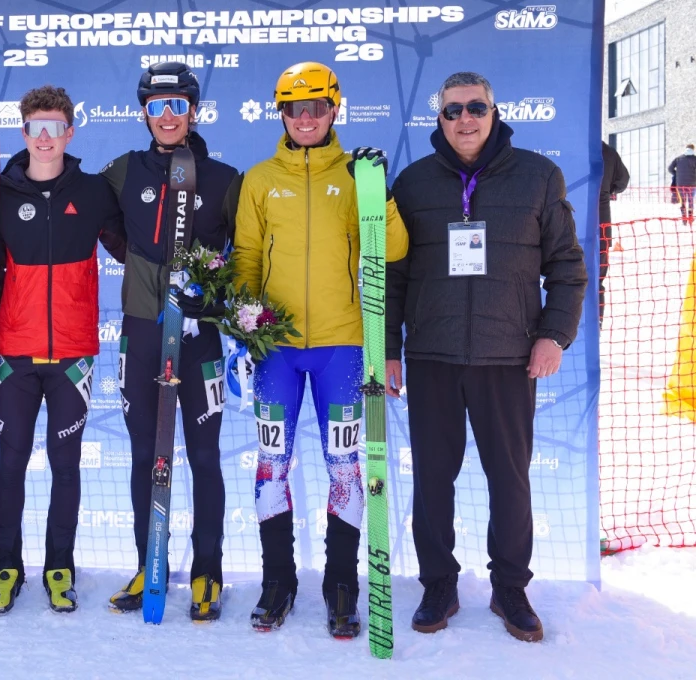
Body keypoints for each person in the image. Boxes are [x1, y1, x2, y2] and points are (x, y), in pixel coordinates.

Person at [385, 71, 586, 643]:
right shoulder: (413, 183)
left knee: (510, 479)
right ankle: (438, 584)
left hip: (509, 357)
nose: (465, 119)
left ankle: (510, 588)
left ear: (494, 113)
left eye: (476, 107)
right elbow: (393, 277)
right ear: (439, 118)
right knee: (432, 480)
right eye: (453, 110)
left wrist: (554, 335)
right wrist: (390, 349)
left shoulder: (538, 177)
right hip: (433, 355)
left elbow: (567, 268)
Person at [234, 62, 408, 636]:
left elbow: (395, 247)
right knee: (271, 466)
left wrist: (378, 191)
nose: (305, 119)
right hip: (277, 349)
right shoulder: (260, 179)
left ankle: (341, 586)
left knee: (344, 469)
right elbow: (246, 256)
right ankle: (277, 583)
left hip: (343, 344)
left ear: (335, 109)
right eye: (294, 108)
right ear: (281, 113)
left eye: (316, 108)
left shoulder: (356, 173)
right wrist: (246, 322)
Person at [0, 85, 126, 615]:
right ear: (24, 132)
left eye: (55, 127)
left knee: (66, 465)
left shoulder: (94, 191)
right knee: (10, 463)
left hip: (73, 356)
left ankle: (60, 569)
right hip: (14, 353)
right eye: (36, 127)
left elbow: (131, 250)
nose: (45, 138)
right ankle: (6, 569)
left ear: (69, 133)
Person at [101, 62, 242, 622]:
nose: (167, 116)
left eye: (177, 106)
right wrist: (140, 268)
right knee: (144, 454)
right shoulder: (121, 171)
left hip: (199, 335)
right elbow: (99, 223)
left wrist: (214, 299)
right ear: (144, 113)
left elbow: (246, 256)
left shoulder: (224, 179)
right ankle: (149, 564)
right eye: (157, 107)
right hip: (141, 330)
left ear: (193, 112)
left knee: (204, 456)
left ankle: (208, 570)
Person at [599, 141, 630, 324]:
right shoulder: (608, 152)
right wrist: (608, 189)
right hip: (600, 225)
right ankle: (596, 323)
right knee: (597, 279)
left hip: (565, 223)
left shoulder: (569, 144)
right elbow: (622, 180)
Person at [669, 144, 696, 226]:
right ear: (693, 149)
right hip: (692, 184)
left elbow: (670, 168)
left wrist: (676, 174)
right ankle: (690, 218)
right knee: (690, 200)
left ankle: (684, 219)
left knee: (683, 201)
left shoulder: (678, 158)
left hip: (680, 184)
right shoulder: (695, 159)